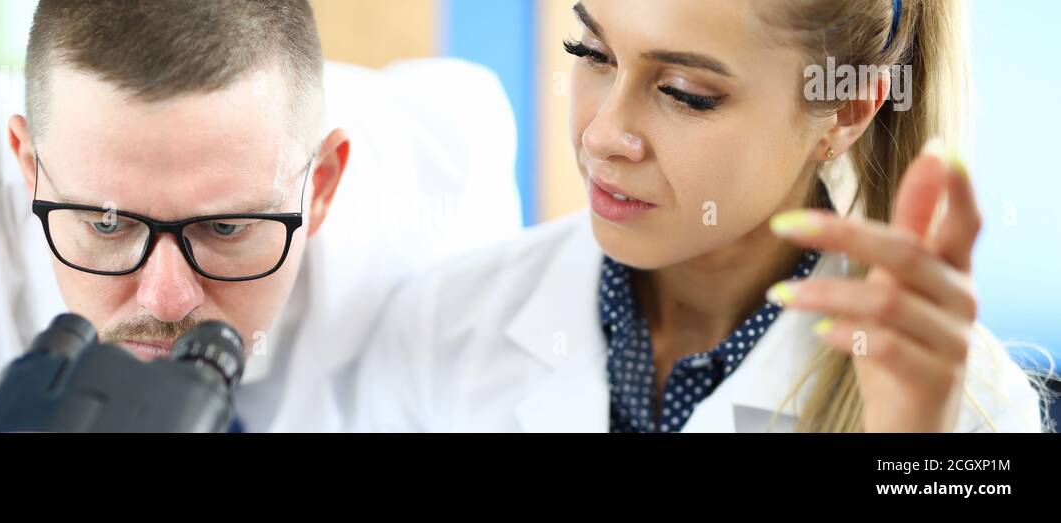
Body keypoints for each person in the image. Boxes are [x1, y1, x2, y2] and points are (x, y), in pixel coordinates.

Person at [0, 0, 522, 432]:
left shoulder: (439, 212)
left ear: (320, 186)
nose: (164, 301)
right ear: (28, 168)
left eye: (224, 228)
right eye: (105, 223)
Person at [354, 0, 1044, 432]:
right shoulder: (442, 324)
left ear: (846, 110)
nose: (601, 136)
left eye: (684, 93)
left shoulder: (970, 417)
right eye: (591, 54)